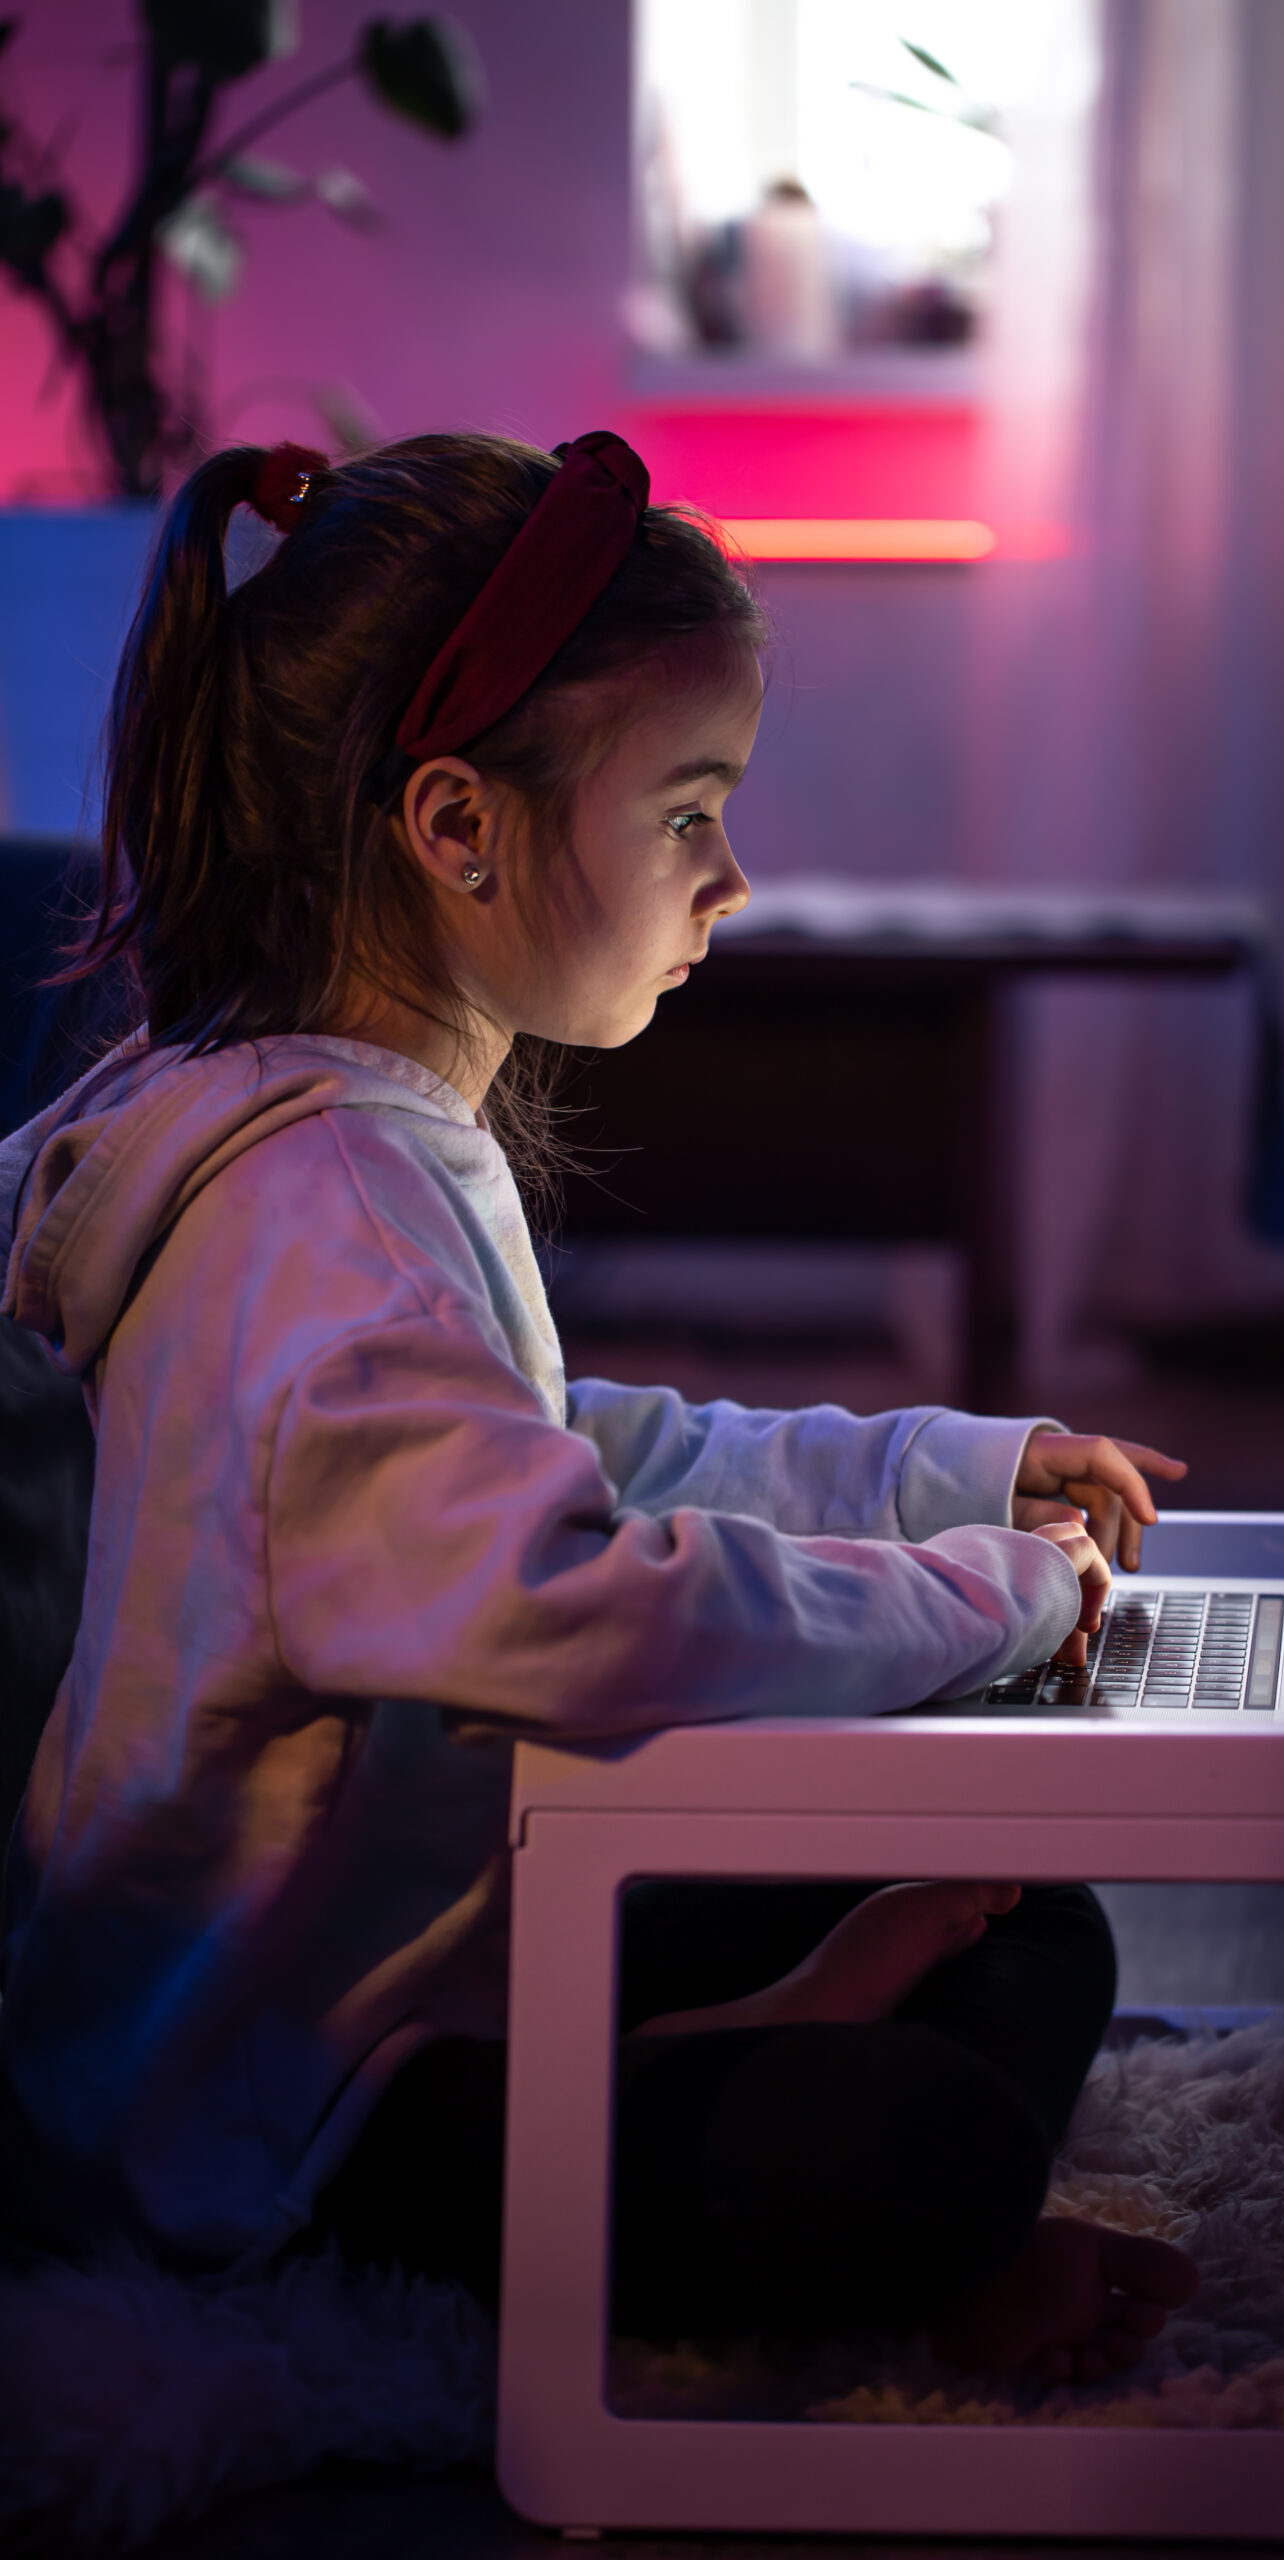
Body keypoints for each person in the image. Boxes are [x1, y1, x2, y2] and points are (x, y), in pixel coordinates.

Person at [0, 430, 1196, 2377]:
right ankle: (811, 2150)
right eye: (685, 811)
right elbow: (579, 1600)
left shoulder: (293, 1118)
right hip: (265, 2118)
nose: (727, 878)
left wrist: (941, 1474)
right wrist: (992, 1601)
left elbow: (574, 1450)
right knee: (926, 2143)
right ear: (457, 828)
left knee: (1026, 1916)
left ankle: (741, 2044)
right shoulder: (326, 1204)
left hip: (406, 1955)